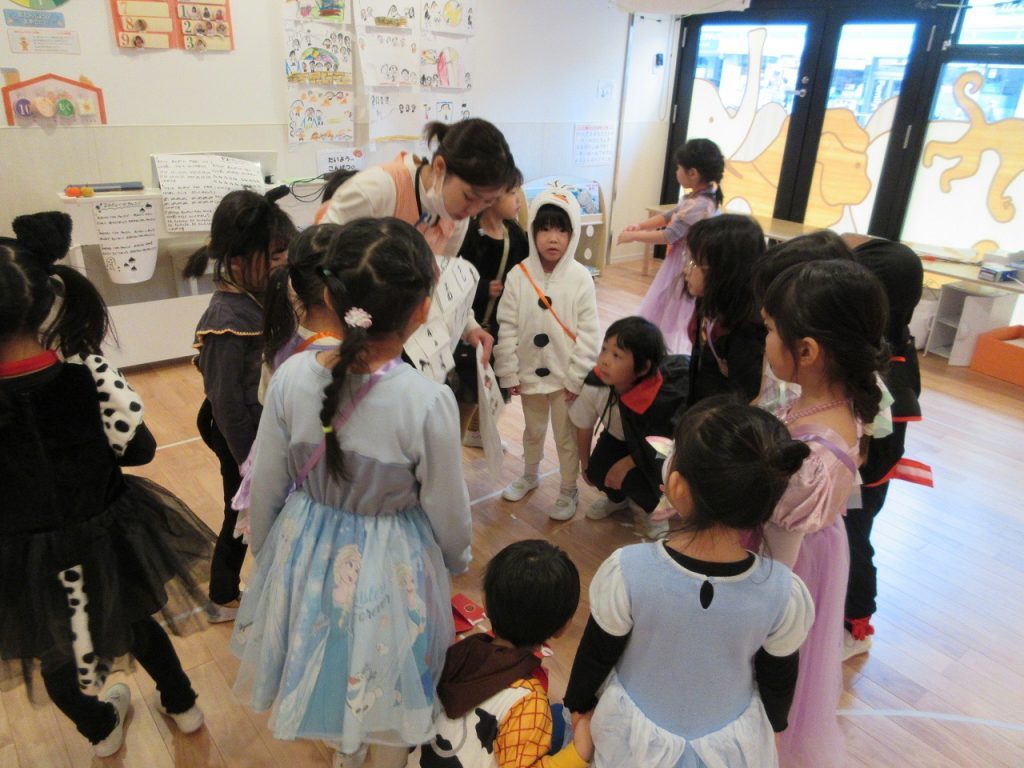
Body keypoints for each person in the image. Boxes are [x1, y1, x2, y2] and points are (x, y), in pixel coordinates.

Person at [229, 217, 473, 768]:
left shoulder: (291, 377)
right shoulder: (427, 402)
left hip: (307, 548)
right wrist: (456, 559)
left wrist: (270, 555)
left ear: (329, 299)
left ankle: (345, 744)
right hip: (394, 559)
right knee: (390, 660)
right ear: (422, 310)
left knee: (332, 651)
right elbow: (448, 509)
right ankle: (381, 751)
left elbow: (266, 485)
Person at [0, 212, 215, 757]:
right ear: (44, 300)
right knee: (137, 621)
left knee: (55, 653)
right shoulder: (86, 376)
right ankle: (183, 703)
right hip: (105, 534)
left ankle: (100, 729)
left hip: (21, 558)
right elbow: (139, 449)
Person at [563, 397, 814, 767]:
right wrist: (774, 726)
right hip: (730, 745)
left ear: (678, 487)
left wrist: (577, 704)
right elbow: (778, 676)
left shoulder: (628, 570)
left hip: (635, 741)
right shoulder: (782, 591)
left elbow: (597, 653)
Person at [758, 259, 889, 768]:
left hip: (790, 559)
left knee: (772, 665)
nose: (765, 340)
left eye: (770, 330)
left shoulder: (814, 455)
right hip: (807, 545)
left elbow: (774, 516)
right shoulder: (830, 400)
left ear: (808, 351)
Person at [324, 118, 519, 381]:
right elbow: (317, 257)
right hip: (344, 327)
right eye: (470, 197)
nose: (472, 211)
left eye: (486, 203)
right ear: (440, 167)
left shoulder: (455, 216)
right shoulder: (379, 189)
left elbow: (443, 281)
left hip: (398, 338)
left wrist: (469, 326)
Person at [185, 187, 297, 623]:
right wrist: (250, 461)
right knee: (241, 510)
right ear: (235, 261)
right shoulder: (226, 319)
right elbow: (227, 402)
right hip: (240, 436)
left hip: (262, 428)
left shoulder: (259, 295)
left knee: (256, 508)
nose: (282, 262)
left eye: (283, 252)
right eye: (273, 255)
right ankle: (222, 593)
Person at [414, 540, 594, 767]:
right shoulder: (528, 702)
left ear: (485, 601)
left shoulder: (454, 655)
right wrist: (578, 754)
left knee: (557, 715)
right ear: (563, 628)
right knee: (558, 719)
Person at [232, 223, 345, 541]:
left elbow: (266, 402)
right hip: (325, 484)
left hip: (283, 473)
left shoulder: (281, 338)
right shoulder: (346, 358)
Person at [494, 188, 600, 521]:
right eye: (545, 229)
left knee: (566, 437)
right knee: (533, 429)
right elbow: (507, 326)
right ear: (533, 231)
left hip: (565, 378)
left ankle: (568, 488)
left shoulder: (581, 278)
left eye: (561, 230)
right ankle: (530, 474)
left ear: (573, 233)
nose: (553, 238)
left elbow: (590, 334)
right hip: (529, 373)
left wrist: (576, 376)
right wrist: (509, 370)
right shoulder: (519, 275)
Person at [842, 235, 925, 659]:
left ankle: (856, 628)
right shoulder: (885, 346)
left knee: (854, 541)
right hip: (853, 471)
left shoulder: (891, 367)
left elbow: (879, 442)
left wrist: (854, 472)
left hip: (863, 478)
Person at [570, 316, 688, 540]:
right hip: (620, 438)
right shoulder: (597, 383)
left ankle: (652, 509)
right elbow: (584, 424)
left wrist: (628, 463)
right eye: (604, 349)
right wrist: (584, 463)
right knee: (596, 470)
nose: (605, 361)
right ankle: (618, 500)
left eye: (617, 356)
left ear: (643, 368)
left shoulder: (661, 398)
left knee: (650, 476)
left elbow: (666, 446)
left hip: (660, 448)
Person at [616, 138, 724, 355]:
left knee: (674, 309)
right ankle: (659, 349)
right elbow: (669, 216)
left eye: (678, 167)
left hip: (686, 265)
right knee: (665, 306)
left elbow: (669, 235)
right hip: (680, 262)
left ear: (692, 173)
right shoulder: (696, 197)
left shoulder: (700, 204)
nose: (676, 171)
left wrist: (633, 236)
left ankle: (666, 352)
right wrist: (640, 226)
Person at [455, 169, 529, 447]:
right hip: (471, 324)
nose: (518, 199)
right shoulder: (470, 235)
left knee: (493, 381)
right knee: (468, 386)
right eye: (512, 193)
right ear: (491, 197)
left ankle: (478, 431)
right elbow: (457, 277)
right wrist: (483, 288)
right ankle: (463, 433)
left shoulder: (515, 234)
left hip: (501, 323)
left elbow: (527, 269)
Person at [684, 213, 767, 406]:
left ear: (724, 271)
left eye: (695, 263)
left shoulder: (748, 330)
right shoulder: (708, 302)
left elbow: (744, 399)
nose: (686, 270)